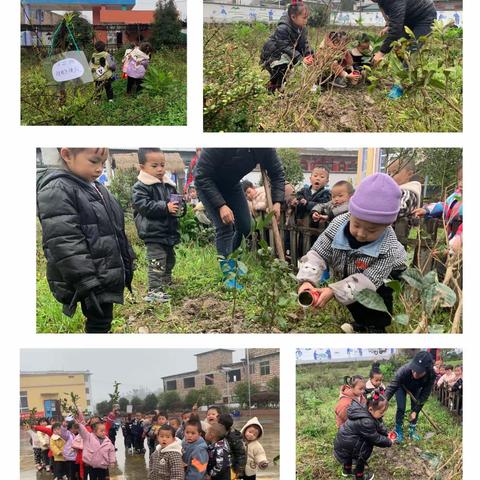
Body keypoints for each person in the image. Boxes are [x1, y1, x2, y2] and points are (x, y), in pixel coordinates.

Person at [36, 148, 135, 333]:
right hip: (89, 277)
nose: (100, 169)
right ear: (66, 155)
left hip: (103, 270)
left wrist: (128, 258)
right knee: (99, 320)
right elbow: (64, 241)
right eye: (93, 161)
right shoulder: (58, 188)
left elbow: (115, 230)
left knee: (103, 318)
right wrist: (86, 281)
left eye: (102, 163)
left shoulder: (95, 187)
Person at [296, 173, 407, 333]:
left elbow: (367, 281)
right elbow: (318, 253)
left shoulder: (388, 247)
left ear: (387, 225)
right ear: (351, 214)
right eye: (356, 225)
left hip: (388, 271)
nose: (361, 233)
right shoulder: (338, 224)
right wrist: (307, 281)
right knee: (350, 289)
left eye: (372, 230)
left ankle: (377, 327)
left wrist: (333, 290)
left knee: (375, 295)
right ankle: (361, 323)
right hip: (356, 266)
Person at [195, 149, 285, 287]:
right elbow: (201, 176)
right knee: (224, 227)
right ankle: (228, 275)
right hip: (208, 184)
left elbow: (277, 174)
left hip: (232, 185)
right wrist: (221, 205)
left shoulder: (265, 148)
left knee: (245, 226)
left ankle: (233, 261)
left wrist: (277, 202)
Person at [132, 148, 182, 303]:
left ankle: (165, 282)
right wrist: (165, 207)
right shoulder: (141, 187)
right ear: (142, 167)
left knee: (169, 259)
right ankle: (154, 290)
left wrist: (181, 207)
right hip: (153, 232)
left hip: (168, 231)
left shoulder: (168, 184)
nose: (160, 169)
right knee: (157, 261)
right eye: (154, 166)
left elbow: (176, 203)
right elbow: (143, 206)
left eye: (162, 165)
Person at [334, 390, 394, 480]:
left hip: (344, 443)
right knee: (360, 458)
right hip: (350, 445)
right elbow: (375, 438)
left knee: (347, 456)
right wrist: (389, 441)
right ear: (370, 409)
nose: (383, 414)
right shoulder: (366, 421)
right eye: (381, 412)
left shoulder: (363, 410)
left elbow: (378, 424)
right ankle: (360, 477)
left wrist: (386, 433)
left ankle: (346, 471)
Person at [260, 2, 314, 92]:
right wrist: (300, 58)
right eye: (304, 18)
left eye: (307, 18)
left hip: (287, 53)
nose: (306, 20)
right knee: (281, 69)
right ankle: (273, 87)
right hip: (273, 55)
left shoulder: (302, 28)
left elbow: (305, 44)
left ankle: (276, 86)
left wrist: (309, 54)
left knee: (286, 72)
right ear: (293, 17)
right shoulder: (283, 28)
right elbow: (284, 46)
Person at [385, 351, 435, 442]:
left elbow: (424, 395)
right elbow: (391, 388)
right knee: (401, 407)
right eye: (414, 369)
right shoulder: (403, 371)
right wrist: (383, 401)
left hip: (417, 388)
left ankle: (412, 431)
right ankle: (398, 430)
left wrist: (416, 411)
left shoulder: (431, 375)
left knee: (415, 408)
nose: (415, 373)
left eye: (419, 372)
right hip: (401, 386)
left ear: (427, 370)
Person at [413, 165, 463, 254]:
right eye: (460, 179)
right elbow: (445, 205)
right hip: (452, 243)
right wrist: (427, 210)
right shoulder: (457, 195)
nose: (461, 184)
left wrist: (458, 239)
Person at [372, 0, 437, 66]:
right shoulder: (381, 2)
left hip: (425, 17)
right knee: (399, 47)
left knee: (412, 49)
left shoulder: (395, 1)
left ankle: (409, 72)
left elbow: (396, 29)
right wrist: (388, 25)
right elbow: (392, 14)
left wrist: (381, 53)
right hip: (407, 18)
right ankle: (407, 70)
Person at [386, 157, 422, 246]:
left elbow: (401, 209)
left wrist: (379, 209)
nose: (391, 176)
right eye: (389, 173)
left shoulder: (409, 192)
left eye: (395, 172)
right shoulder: (395, 190)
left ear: (409, 174)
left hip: (395, 239)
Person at [77, 415, 116, 480]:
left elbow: (111, 451)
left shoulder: (107, 441)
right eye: (93, 421)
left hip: (102, 465)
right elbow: (82, 431)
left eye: (104, 431)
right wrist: (79, 424)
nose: (104, 432)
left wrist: (112, 461)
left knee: (104, 478)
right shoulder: (89, 435)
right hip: (91, 464)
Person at [218, 414, 247, 480]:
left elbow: (241, 455)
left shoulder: (234, 438)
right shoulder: (220, 434)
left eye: (218, 424)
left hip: (232, 468)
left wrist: (239, 470)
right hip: (224, 467)